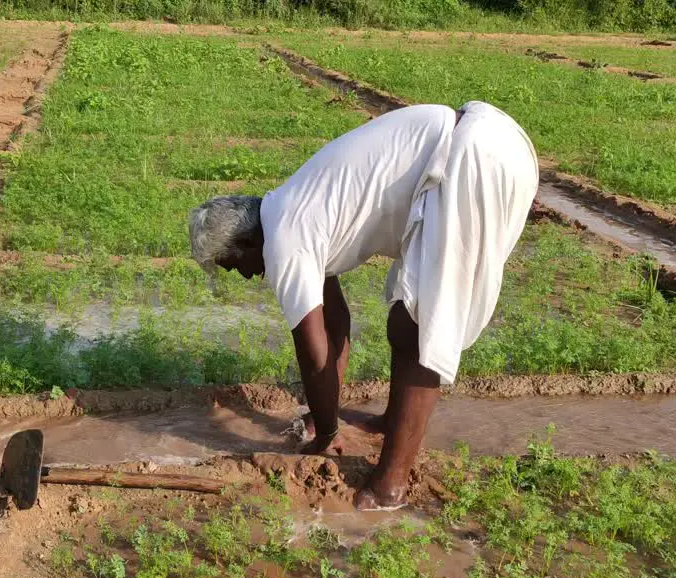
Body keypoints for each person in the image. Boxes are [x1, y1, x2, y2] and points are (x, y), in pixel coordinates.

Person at [187, 101, 538, 511]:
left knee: (416, 326)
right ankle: (394, 423)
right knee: (410, 320)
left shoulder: (284, 238)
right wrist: (323, 417)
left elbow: (315, 351)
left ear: (247, 242)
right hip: (493, 145)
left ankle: (391, 485)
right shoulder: (296, 207)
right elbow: (336, 326)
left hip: (474, 156)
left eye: (234, 265)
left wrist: (325, 435)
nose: (245, 276)